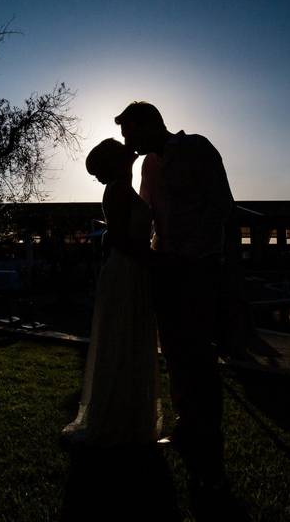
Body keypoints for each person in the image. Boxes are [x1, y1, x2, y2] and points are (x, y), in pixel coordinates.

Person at [115, 101, 234, 499]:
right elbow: (145, 213)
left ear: (149, 124)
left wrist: (207, 259)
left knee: (200, 355)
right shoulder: (148, 166)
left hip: (199, 267)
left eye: (129, 133)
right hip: (165, 268)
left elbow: (222, 207)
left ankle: (210, 447)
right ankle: (186, 426)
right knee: (176, 354)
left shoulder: (199, 149)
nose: (126, 140)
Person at [61, 138, 161, 447]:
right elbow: (120, 238)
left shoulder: (124, 185)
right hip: (127, 270)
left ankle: (131, 416)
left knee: (132, 337)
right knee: (122, 336)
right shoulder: (117, 190)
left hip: (133, 269)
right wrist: (157, 261)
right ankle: (117, 418)